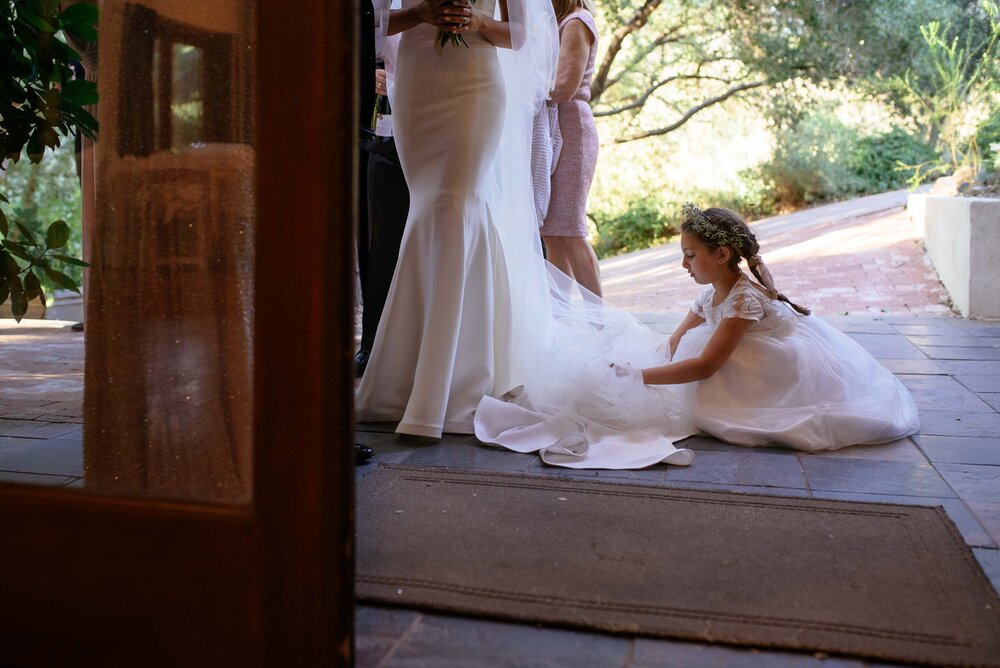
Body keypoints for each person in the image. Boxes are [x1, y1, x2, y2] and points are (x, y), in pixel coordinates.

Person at [475, 204, 920, 467]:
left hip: (776, 366)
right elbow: (673, 342)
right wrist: (634, 364)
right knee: (653, 354)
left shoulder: (744, 299)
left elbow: (706, 365)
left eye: (690, 255)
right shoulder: (711, 293)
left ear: (721, 254)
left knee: (698, 360)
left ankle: (738, 404)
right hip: (727, 351)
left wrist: (640, 378)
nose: (683, 264)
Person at [354, 0, 561, 438]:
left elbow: (524, 37)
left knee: (455, 202)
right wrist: (423, 13)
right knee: (428, 208)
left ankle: (454, 386)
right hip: (415, 80)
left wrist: (479, 21)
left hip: (475, 80)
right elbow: (367, 20)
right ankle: (406, 380)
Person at [540, 0, 602, 297]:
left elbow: (565, 86)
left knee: (571, 229)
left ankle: (600, 322)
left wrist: (520, 87)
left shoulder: (577, 22)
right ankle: (563, 319)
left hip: (572, 130)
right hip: (556, 128)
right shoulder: (561, 24)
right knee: (551, 231)